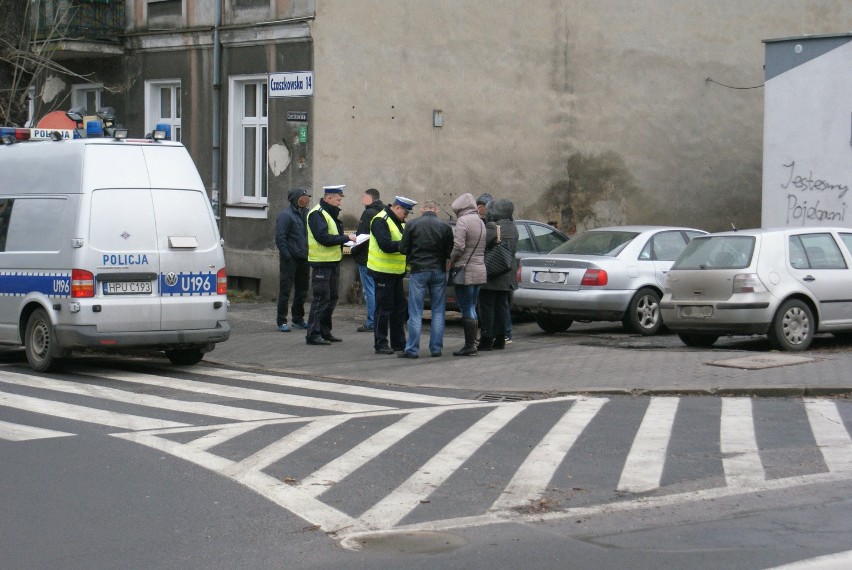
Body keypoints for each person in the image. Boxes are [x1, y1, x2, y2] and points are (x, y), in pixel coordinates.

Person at [398, 200, 454, 359]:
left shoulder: (412, 225)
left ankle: (412, 350)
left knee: (415, 312)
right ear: (436, 210)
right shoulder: (445, 227)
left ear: (422, 210)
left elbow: (403, 249)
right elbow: (449, 250)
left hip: (418, 271)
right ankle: (436, 348)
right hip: (438, 270)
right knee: (438, 311)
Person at [305, 185, 356, 345]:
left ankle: (325, 331)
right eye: (338, 200)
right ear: (328, 198)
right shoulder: (317, 214)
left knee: (332, 297)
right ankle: (313, 334)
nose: (340, 203)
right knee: (321, 298)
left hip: (333, 261)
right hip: (321, 262)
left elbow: (332, 235)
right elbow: (323, 238)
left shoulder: (329, 213)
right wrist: (346, 239)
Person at [368, 196, 416, 354]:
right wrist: (406, 245)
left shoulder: (398, 222)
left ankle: (398, 342)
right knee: (383, 309)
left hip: (396, 273)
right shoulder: (380, 220)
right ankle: (380, 343)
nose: (406, 216)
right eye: (405, 212)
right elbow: (386, 245)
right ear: (396, 208)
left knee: (399, 309)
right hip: (382, 273)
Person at [449, 192, 487, 356]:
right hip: (479, 269)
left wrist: (451, 259)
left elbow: (458, 246)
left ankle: (470, 345)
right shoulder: (480, 221)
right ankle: (474, 342)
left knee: (466, 308)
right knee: (472, 305)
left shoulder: (463, 221)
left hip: (465, 270)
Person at [478, 199, 519, 351]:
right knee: (502, 306)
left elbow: (481, 245)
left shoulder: (494, 226)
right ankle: (501, 338)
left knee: (487, 307)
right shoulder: (513, 227)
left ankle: (487, 339)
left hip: (493, 272)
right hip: (507, 272)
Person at [274, 188, 312, 332]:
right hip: (290, 260)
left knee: (302, 291)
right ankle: (281, 321)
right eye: (303, 197)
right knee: (285, 291)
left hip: (304, 258)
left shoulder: (306, 214)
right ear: (296, 199)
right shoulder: (285, 215)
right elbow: (280, 238)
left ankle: (298, 319)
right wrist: (287, 256)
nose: (306, 200)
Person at [352, 188, 383, 332]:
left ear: (369, 198)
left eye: (364, 196)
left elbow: (362, 236)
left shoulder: (368, 213)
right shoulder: (383, 212)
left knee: (369, 291)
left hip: (365, 257)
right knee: (377, 290)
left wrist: (354, 250)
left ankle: (372, 322)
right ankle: (379, 320)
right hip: (379, 258)